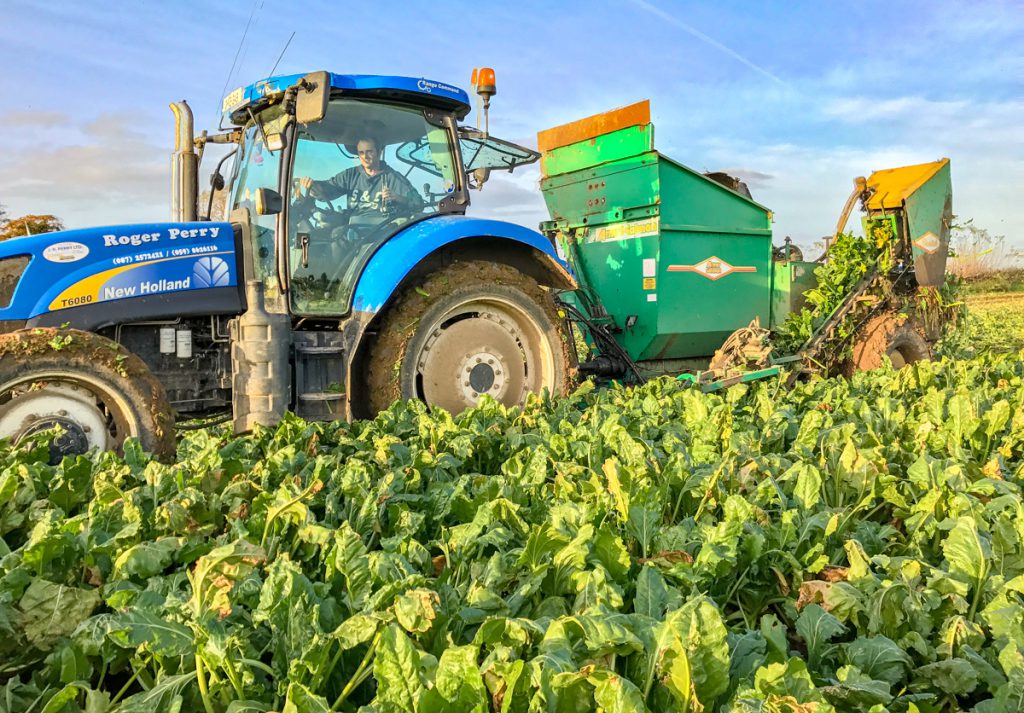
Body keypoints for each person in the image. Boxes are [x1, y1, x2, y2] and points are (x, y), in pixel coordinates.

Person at [298, 136, 423, 223]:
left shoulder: (393, 177)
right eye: (361, 153)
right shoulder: (350, 175)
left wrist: (398, 197)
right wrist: (314, 187)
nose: (365, 157)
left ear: (379, 152)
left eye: (369, 152)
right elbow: (329, 189)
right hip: (353, 226)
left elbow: (419, 203)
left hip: (381, 231)